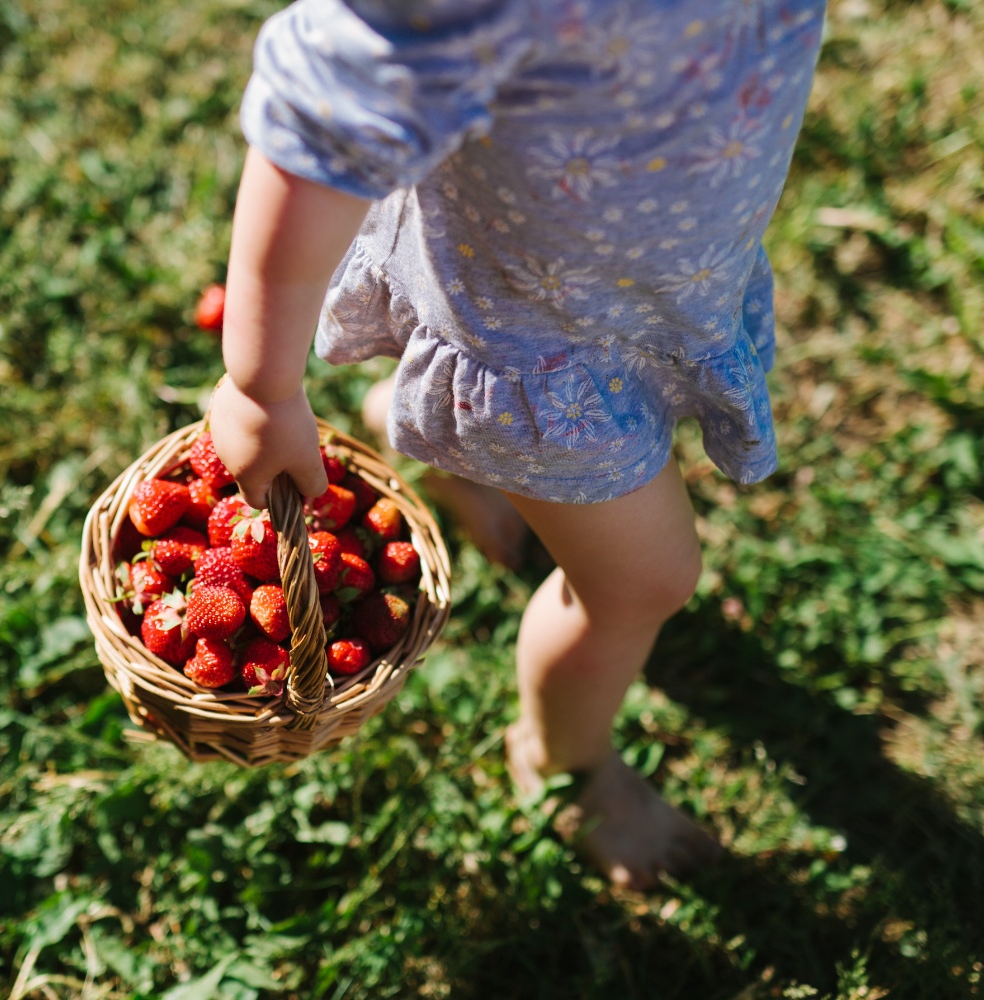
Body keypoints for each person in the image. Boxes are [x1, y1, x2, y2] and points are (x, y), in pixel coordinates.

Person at [208, 0, 827, 889]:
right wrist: (262, 383)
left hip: (651, 279)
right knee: (643, 584)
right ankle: (563, 761)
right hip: (535, 349)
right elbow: (319, 121)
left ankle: (431, 441)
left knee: (632, 559)